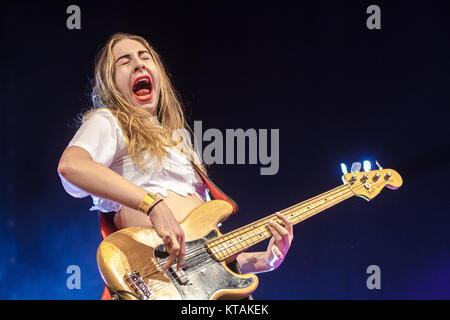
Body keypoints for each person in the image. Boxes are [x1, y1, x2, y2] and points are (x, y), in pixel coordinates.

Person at [57, 33, 294, 292]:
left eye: (145, 57)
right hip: (153, 284)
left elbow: (202, 259)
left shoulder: (181, 145)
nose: (139, 64)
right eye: (124, 62)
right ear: (111, 84)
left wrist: (265, 260)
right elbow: (72, 167)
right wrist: (152, 205)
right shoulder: (110, 122)